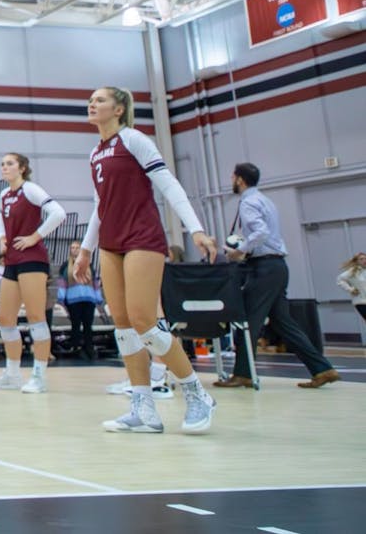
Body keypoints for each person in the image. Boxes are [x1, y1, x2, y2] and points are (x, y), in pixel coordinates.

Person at [71, 86, 218, 434]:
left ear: (119, 109)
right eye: (91, 100)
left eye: (101, 100)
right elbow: (99, 207)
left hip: (142, 237)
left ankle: (196, 393)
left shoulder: (134, 139)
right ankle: (143, 408)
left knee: (143, 320)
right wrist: (87, 250)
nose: (93, 104)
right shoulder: (95, 153)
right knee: (123, 326)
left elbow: (169, 185)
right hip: (110, 242)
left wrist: (195, 229)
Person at [213, 163, 339, 390]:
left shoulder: (249, 203)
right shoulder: (265, 200)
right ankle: (322, 368)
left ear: (240, 180)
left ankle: (243, 373)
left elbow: (260, 232)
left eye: (232, 176)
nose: (231, 180)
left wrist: (240, 251)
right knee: (283, 322)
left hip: (263, 268)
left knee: (248, 321)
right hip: (277, 266)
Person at [0, 153, 67, 395]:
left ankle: (39, 375)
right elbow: (1, 219)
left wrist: (35, 237)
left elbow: (59, 214)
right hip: (12, 260)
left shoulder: (30, 189)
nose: (4, 167)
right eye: (2, 164)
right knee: (5, 320)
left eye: (9, 163)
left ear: (22, 168)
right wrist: (2, 239)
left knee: (35, 316)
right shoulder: (3, 194)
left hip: (33, 259)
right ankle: (12, 374)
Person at [58, 271, 103, 362]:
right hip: (73, 299)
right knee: (76, 325)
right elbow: (62, 284)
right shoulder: (66, 267)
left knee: (88, 326)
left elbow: (95, 284)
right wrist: (61, 298)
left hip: (89, 299)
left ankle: (89, 348)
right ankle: (75, 347)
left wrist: (98, 298)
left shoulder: (90, 267)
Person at [338, 252, 366, 323]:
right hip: (361, 302)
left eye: (365, 258)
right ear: (356, 261)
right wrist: (350, 289)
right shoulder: (352, 271)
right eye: (361, 259)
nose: (364, 260)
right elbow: (340, 280)